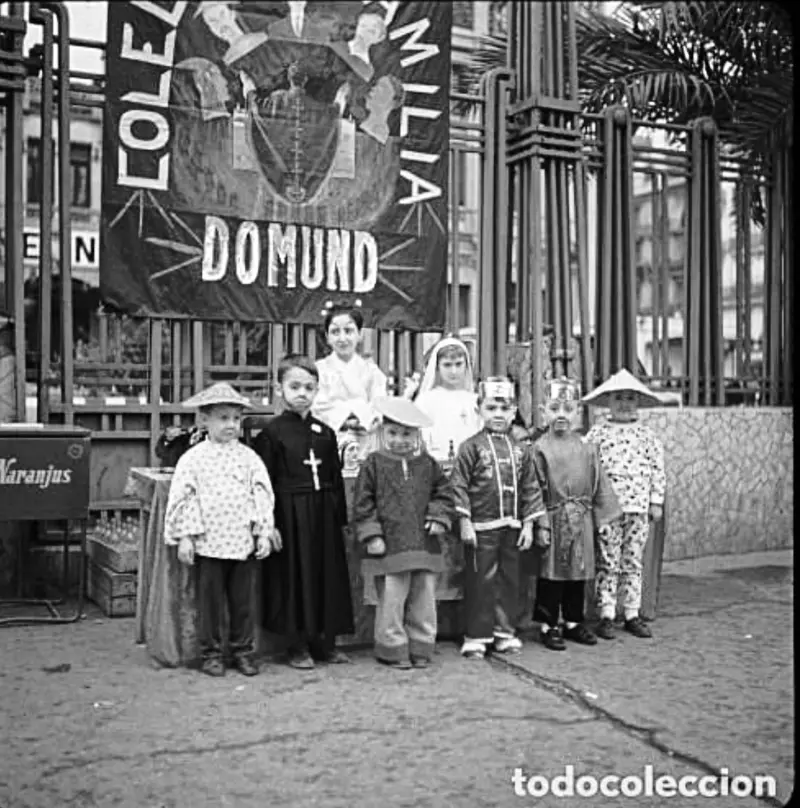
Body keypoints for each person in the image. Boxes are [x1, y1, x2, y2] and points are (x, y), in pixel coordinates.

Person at [163, 382, 276, 678]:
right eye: (223, 418)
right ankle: (210, 652)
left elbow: (262, 494)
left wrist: (263, 531)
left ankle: (243, 651)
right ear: (205, 420)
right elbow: (183, 498)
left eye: (236, 419)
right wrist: (185, 537)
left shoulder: (249, 458)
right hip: (209, 543)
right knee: (210, 603)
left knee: (243, 603)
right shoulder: (193, 459)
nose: (231, 425)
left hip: (241, 542)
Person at [252, 354, 355, 668]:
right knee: (294, 579)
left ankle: (326, 642)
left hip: (322, 514)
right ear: (279, 388)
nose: (302, 393)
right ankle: (296, 645)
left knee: (327, 575)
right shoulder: (271, 434)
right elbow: (263, 483)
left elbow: (335, 479)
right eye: (294, 386)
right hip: (289, 515)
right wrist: (269, 525)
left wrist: (339, 519)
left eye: (309, 387)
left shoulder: (325, 433)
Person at [450, 377, 549, 660]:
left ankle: (505, 632)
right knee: (480, 582)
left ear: (514, 410)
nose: (497, 414)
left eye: (504, 408)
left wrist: (529, 524)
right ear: (479, 409)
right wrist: (465, 521)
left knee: (509, 582)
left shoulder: (521, 450)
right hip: (481, 528)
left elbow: (531, 487)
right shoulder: (470, 447)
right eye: (491, 407)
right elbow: (458, 485)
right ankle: (476, 635)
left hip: (512, 529)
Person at [352, 397, 452, 669]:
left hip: (423, 544)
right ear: (383, 432)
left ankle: (421, 646)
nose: (399, 440)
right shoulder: (373, 463)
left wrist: (439, 517)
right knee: (392, 601)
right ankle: (392, 648)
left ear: (417, 434)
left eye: (407, 434)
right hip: (390, 545)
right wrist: (372, 535)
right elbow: (363, 502)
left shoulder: (428, 464)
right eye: (393, 433)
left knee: (424, 599)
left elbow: (443, 493)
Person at [530, 378, 622, 651]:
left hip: (581, 519)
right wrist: (541, 524)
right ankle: (548, 624)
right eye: (554, 407)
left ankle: (573, 621)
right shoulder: (538, 449)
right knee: (551, 574)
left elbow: (599, 484)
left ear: (578, 412)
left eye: (568, 408)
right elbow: (532, 489)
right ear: (542, 410)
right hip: (555, 517)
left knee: (578, 573)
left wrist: (602, 520)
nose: (561, 414)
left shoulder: (587, 447)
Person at [583, 368, 667, 640]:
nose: (624, 403)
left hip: (638, 509)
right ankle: (606, 612)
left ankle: (632, 612)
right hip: (608, 510)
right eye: (618, 397)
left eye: (630, 398)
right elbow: (586, 466)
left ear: (638, 403)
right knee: (608, 561)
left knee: (633, 561)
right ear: (608, 401)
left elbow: (658, 469)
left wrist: (656, 501)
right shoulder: (597, 434)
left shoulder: (647, 436)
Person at [313, 302, 388, 436]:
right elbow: (318, 406)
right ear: (327, 337)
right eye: (335, 332)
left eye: (348, 331)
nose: (342, 338)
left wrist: (365, 418)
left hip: (365, 435)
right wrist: (355, 411)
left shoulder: (372, 371)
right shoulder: (318, 369)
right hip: (328, 436)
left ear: (359, 334)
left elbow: (379, 403)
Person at [412, 336, 482, 468]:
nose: (453, 371)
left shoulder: (475, 401)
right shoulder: (425, 401)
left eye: (458, 364)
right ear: (437, 367)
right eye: (447, 365)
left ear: (466, 365)